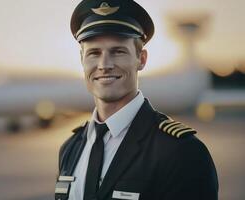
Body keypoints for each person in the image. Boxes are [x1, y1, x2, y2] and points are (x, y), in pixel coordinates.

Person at [55, 0, 218, 200]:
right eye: (94, 53)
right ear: (82, 60)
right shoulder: (71, 148)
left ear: (141, 59)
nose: (104, 65)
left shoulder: (182, 151)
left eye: (118, 52)